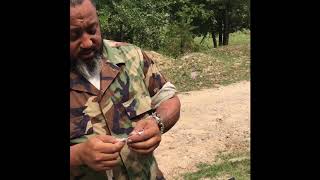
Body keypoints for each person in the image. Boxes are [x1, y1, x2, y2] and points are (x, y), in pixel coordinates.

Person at [69, 0, 181, 179]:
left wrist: (157, 122)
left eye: (92, 30)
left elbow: (169, 99)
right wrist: (77, 155)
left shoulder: (131, 56)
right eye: (73, 36)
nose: (87, 42)